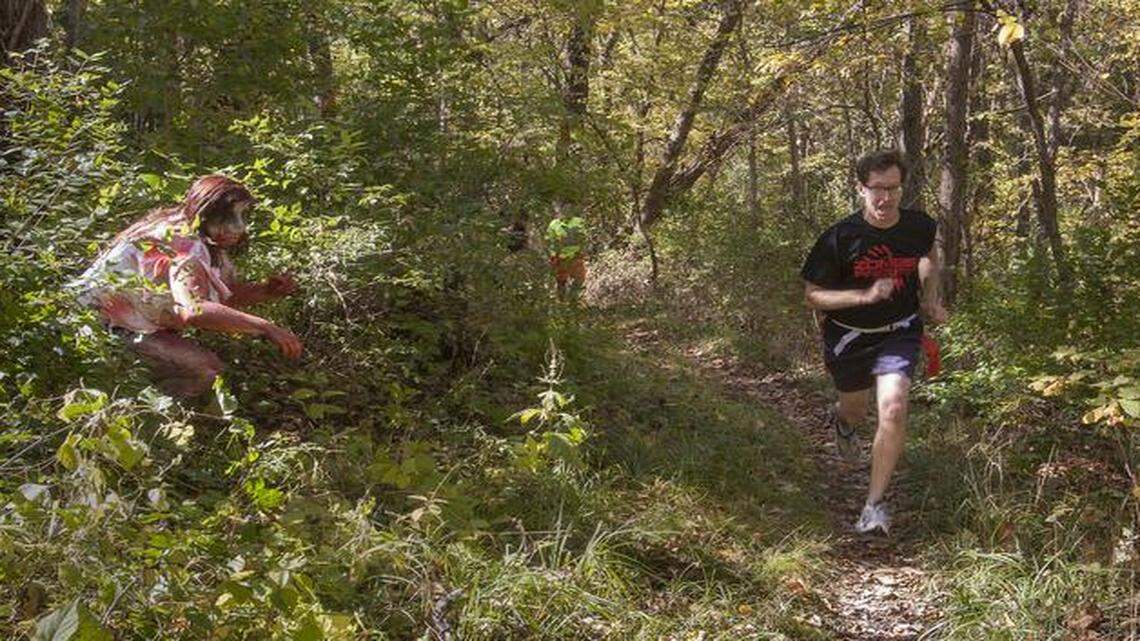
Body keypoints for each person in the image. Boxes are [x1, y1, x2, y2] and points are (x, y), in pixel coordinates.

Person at [800, 149, 948, 535]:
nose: (885, 198)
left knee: (894, 408)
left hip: (900, 331)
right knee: (855, 409)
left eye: (893, 189)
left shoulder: (919, 226)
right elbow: (813, 296)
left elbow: (928, 257)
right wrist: (863, 297)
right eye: (877, 189)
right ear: (861, 189)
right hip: (849, 337)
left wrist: (930, 298)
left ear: (902, 189)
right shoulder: (840, 237)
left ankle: (873, 506)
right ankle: (844, 425)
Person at [74, 174, 303, 397]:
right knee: (206, 370)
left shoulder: (190, 229)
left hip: (110, 323)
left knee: (204, 366)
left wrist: (265, 291)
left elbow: (219, 295)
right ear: (204, 214)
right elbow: (193, 309)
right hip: (95, 328)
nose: (237, 227)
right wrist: (266, 327)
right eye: (226, 218)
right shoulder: (185, 246)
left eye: (241, 216)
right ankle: (143, 409)